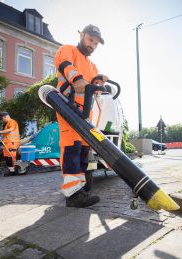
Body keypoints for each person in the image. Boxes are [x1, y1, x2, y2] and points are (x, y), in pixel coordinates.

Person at [54, 24, 108, 208]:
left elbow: (93, 85)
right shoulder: (68, 50)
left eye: (95, 42)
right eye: (90, 39)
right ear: (81, 35)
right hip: (67, 106)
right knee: (71, 147)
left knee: (84, 149)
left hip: (85, 113)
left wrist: (100, 81)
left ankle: (80, 190)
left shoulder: (92, 65)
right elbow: (65, 65)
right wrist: (76, 79)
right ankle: (72, 193)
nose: (92, 44)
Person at [0, 112, 20, 176]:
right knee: (7, 157)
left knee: (11, 157)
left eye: (2, 118)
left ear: (5, 116)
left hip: (12, 142)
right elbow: (7, 134)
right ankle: (11, 170)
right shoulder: (7, 124)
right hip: (8, 143)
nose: (2, 120)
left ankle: (14, 171)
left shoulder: (12, 121)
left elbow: (10, 130)